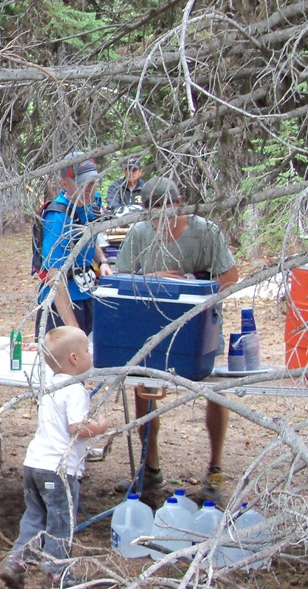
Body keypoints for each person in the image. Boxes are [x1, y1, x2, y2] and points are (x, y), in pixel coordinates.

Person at [116, 177, 239, 503]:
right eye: (155, 217)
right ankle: (150, 465)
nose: (163, 224)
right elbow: (121, 278)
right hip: (153, 325)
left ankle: (215, 467)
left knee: (214, 391)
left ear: (180, 202)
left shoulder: (205, 232)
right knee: (144, 388)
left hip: (201, 328)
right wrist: (155, 279)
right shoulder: (139, 234)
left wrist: (195, 288)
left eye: (168, 214)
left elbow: (230, 277)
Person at [0, 326, 110, 589]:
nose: (90, 355)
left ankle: (17, 561)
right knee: (61, 522)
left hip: (34, 463)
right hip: (59, 470)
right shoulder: (75, 390)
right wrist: (100, 426)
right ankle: (59, 574)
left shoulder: (49, 384)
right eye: (86, 351)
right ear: (74, 358)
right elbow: (77, 428)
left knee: (35, 516)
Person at [36, 152, 113, 338]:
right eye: (81, 184)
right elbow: (55, 275)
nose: (89, 189)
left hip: (88, 296)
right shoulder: (57, 217)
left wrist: (102, 261)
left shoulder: (90, 205)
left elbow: (88, 241)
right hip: (63, 305)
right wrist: (73, 329)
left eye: (92, 183)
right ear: (64, 183)